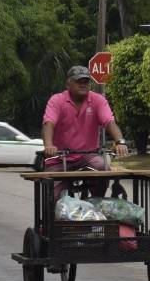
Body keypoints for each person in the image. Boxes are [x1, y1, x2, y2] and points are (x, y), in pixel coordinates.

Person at [42, 65, 128, 201]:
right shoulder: (57, 100)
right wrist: (49, 146)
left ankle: (95, 205)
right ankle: (56, 220)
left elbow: (109, 122)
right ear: (68, 83)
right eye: (78, 81)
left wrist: (120, 142)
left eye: (86, 81)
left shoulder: (98, 100)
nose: (83, 85)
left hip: (88, 156)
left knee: (103, 169)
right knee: (53, 193)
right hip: (60, 157)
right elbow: (48, 124)